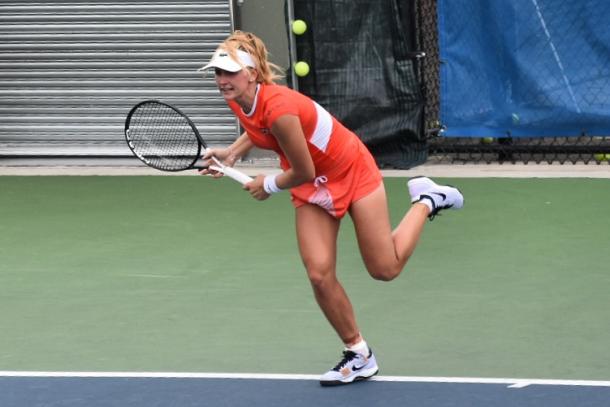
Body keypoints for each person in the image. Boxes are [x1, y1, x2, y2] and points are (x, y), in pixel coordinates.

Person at [199, 31, 464, 386]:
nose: (221, 80)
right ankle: (359, 354)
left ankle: (426, 200)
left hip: (349, 169)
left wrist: (270, 185)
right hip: (311, 184)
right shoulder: (240, 100)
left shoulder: (280, 108)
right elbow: (257, 127)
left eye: (229, 72)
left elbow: (301, 166)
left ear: (251, 73)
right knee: (319, 274)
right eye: (217, 72)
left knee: (384, 269)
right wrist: (232, 153)